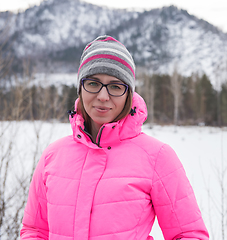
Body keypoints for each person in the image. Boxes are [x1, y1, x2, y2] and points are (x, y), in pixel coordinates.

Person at [20, 35, 209, 240]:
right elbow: (34, 231)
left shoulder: (157, 157)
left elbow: (189, 234)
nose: (102, 96)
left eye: (116, 86)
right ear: (80, 88)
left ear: (129, 94)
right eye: (93, 83)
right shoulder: (53, 156)